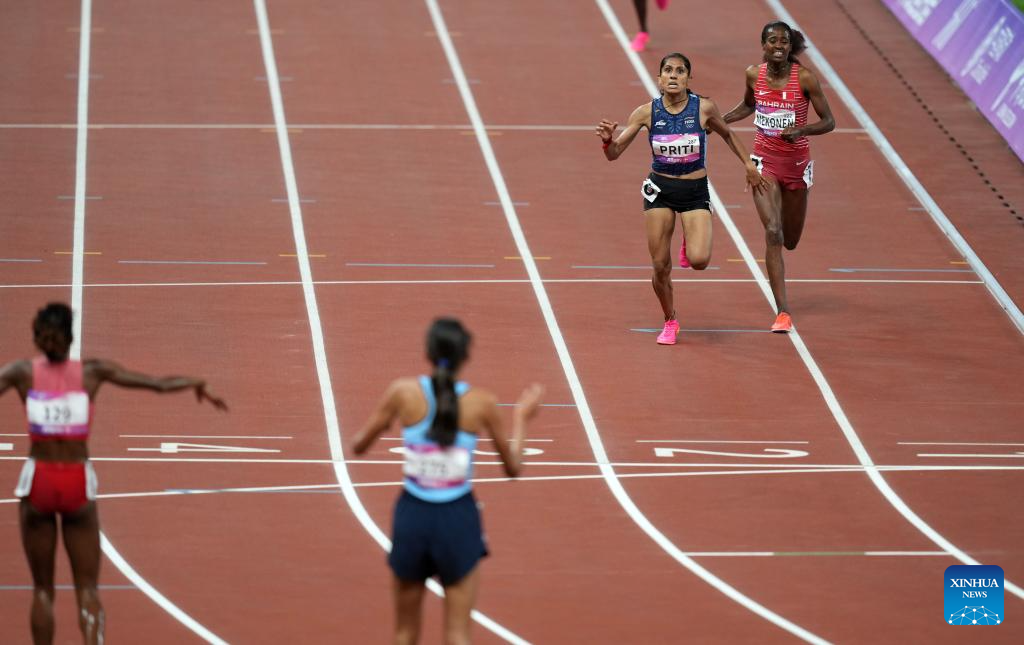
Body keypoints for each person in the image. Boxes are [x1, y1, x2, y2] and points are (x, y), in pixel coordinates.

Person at [0, 302, 228, 644]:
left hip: (40, 483)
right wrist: (196, 381)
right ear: (70, 337)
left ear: (37, 338)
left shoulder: (21, 373)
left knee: (43, 590)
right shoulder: (93, 372)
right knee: (88, 590)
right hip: (76, 482)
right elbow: (157, 385)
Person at [351, 318, 543, 645]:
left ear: (427, 352)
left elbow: (358, 446)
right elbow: (513, 468)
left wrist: (386, 422)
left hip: (413, 518)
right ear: (465, 357)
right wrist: (522, 418)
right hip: (458, 520)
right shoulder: (481, 403)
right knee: (458, 635)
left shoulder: (403, 393)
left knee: (404, 634)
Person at [596, 53, 768, 346]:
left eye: (680, 71)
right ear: (659, 78)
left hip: (694, 191)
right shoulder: (645, 113)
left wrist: (749, 165)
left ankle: (690, 237)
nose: (674, 75)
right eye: (668, 70)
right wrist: (607, 141)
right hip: (660, 191)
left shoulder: (704, 108)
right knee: (660, 265)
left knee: (700, 261)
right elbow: (614, 155)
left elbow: (727, 135)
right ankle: (670, 319)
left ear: (688, 78)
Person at [723, 21, 835, 332]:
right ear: (764, 45)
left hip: (796, 165)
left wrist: (802, 130)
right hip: (764, 163)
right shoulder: (753, 75)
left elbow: (829, 121)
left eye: (784, 41)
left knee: (791, 240)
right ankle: (783, 312)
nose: (778, 46)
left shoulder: (805, 78)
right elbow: (748, 105)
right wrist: (720, 120)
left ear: (789, 46)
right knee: (773, 232)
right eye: (772, 40)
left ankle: (786, 221)